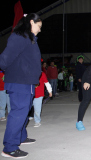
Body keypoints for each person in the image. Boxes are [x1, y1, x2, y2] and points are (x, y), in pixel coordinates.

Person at [0, 13, 42, 159]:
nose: (40, 29)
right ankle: (9, 148)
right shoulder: (20, 37)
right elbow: (5, 59)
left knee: (24, 113)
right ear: (31, 22)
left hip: (27, 83)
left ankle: (21, 137)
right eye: (39, 26)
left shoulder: (30, 39)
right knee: (18, 114)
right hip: (19, 82)